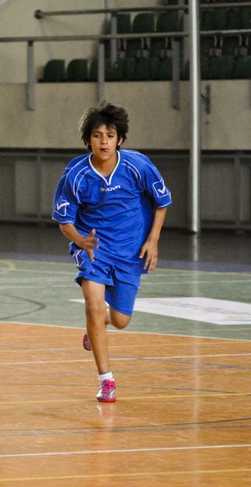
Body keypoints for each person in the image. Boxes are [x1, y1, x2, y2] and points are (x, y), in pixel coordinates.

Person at [52, 101, 171, 403]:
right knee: (93, 305)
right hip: (94, 250)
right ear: (88, 139)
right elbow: (64, 220)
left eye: (109, 135)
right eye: (96, 135)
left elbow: (162, 202)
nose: (103, 141)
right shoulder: (76, 174)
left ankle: (97, 328)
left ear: (119, 139)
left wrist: (153, 240)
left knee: (119, 320)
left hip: (130, 251)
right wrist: (80, 240)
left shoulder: (137, 166)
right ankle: (106, 379)